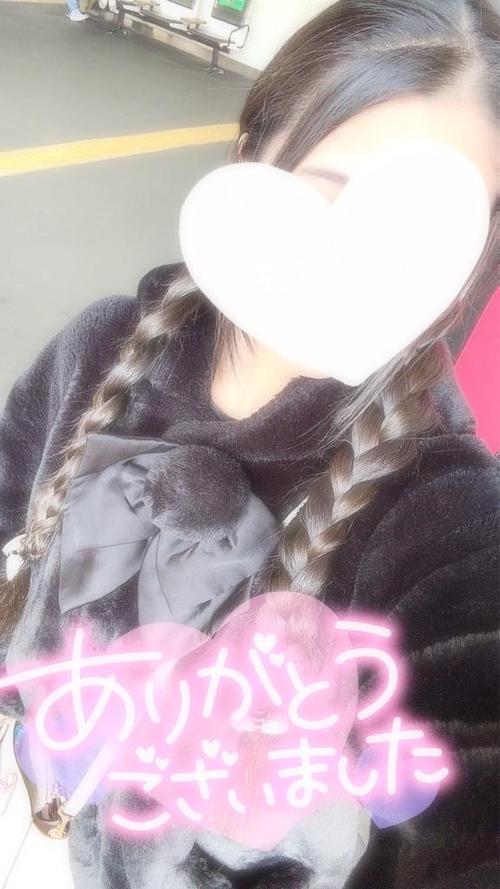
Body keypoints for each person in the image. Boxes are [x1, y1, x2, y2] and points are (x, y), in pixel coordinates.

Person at [0, 0, 499, 886]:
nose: (366, 264)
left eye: (428, 226)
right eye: (329, 189)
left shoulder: (445, 509)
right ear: (247, 164)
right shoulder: (101, 346)